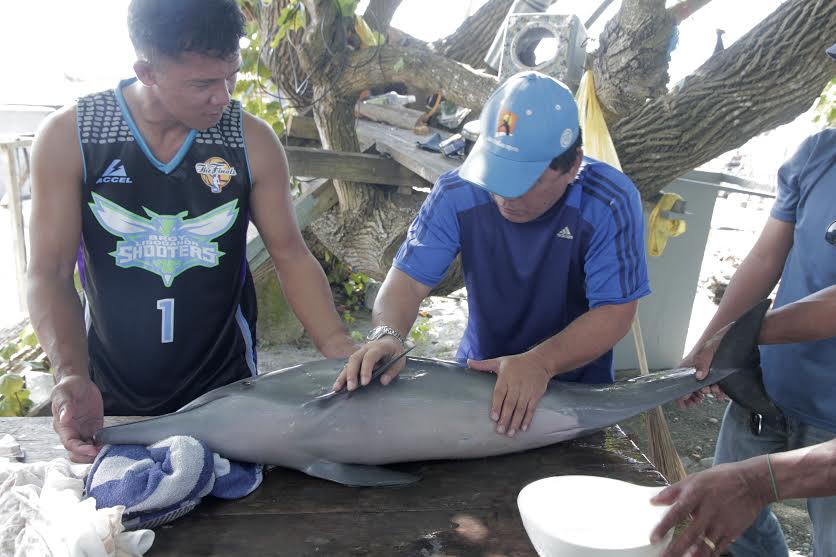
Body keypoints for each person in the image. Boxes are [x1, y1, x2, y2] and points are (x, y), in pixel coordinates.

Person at [27, 0, 356, 464]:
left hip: (226, 389)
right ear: (147, 71)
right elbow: (49, 272)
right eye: (202, 83)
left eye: (232, 75)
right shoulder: (74, 136)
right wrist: (70, 374)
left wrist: (337, 346)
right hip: (109, 389)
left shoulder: (250, 140)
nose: (223, 96)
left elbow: (290, 255)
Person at [335, 71, 651, 437]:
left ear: (573, 166)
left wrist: (540, 363)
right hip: (477, 380)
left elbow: (615, 312)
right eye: (497, 174)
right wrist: (387, 334)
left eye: (525, 181)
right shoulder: (458, 191)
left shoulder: (609, 201)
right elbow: (405, 280)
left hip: (573, 391)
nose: (505, 196)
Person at [666, 42, 836, 557]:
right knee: (731, 525)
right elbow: (764, 261)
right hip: (767, 388)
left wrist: (742, 336)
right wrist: (711, 345)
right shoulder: (817, 154)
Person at [650, 285, 836, 557]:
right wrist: (728, 342)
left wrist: (756, 482)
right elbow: (765, 258)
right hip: (771, 386)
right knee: (735, 531)